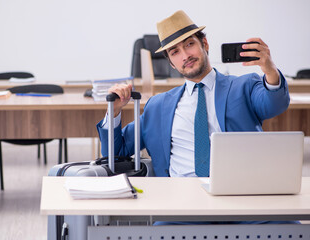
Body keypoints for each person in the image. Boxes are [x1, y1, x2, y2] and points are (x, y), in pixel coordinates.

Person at [96, 9, 293, 225]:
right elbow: (116, 152)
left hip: (244, 202)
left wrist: (270, 70)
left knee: (290, 228)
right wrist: (113, 111)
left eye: (189, 44)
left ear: (205, 44)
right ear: (171, 63)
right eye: (174, 52)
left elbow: (274, 103)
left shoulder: (242, 86)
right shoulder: (158, 106)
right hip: (182, 208)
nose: (185, 56)